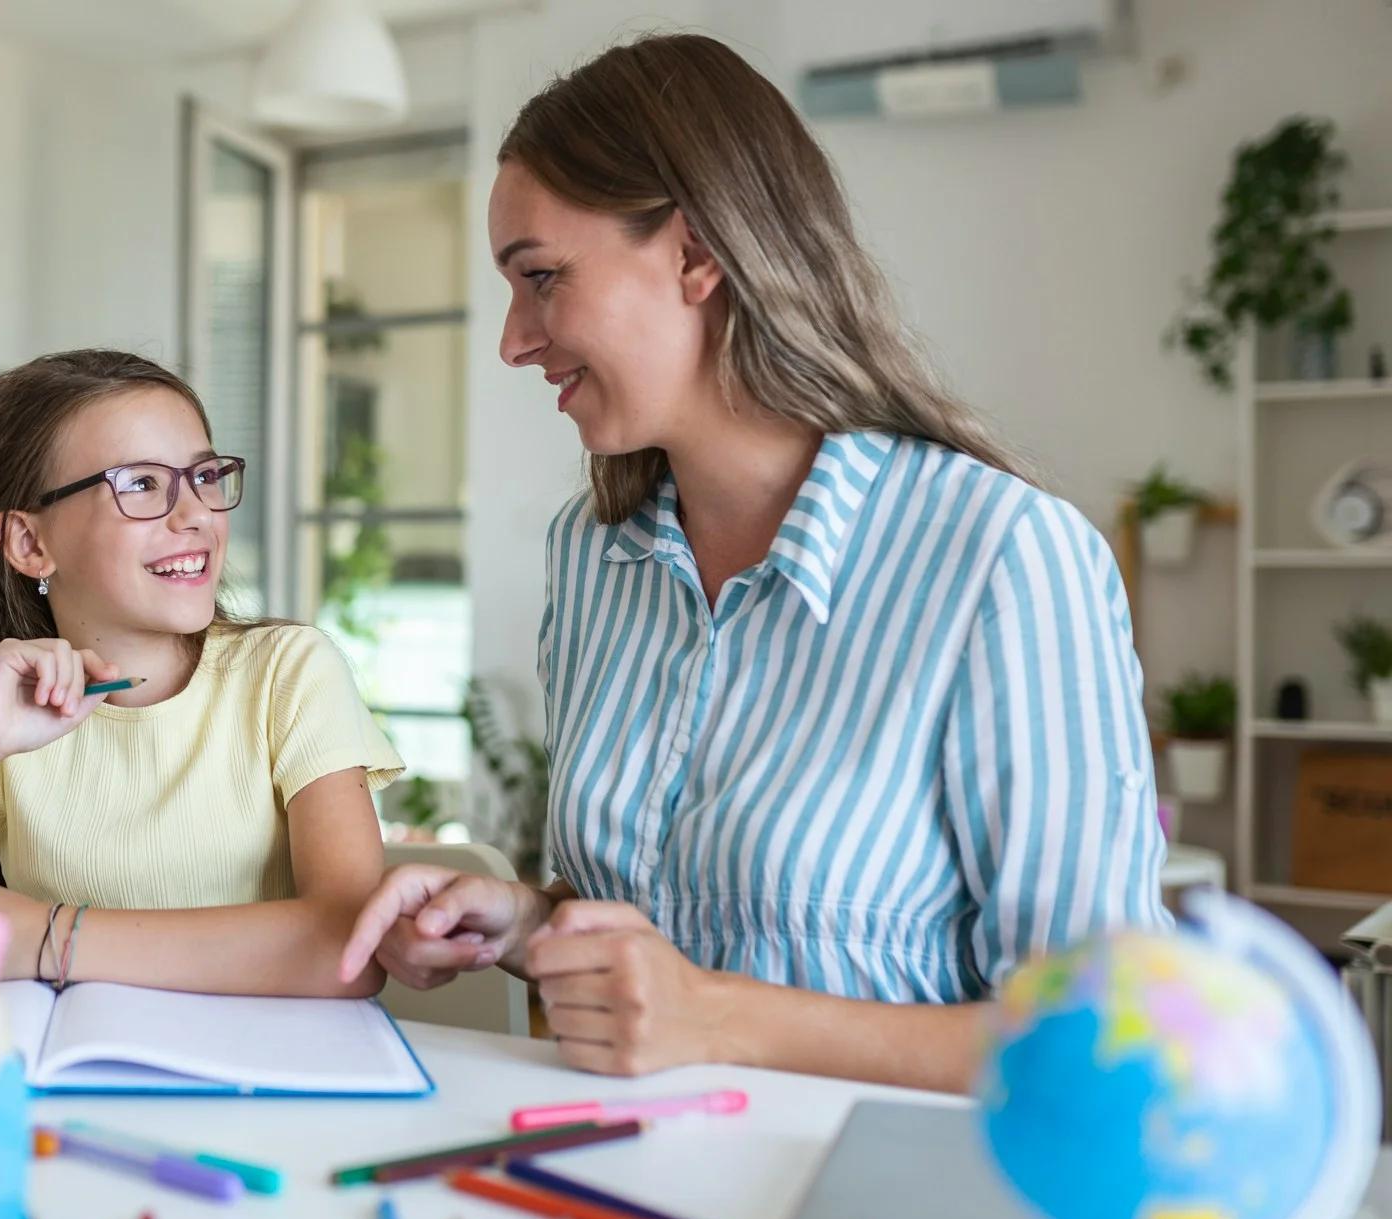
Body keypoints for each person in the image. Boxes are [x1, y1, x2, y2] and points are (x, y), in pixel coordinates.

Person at [340, 34, 1169, 1092]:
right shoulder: (594, 555)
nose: (514, 339)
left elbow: (1104, 1042)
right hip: (623, 1184)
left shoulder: (1002, 557)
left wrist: (718, 1018)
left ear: (697, 255)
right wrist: (525, 919)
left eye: (543, 277)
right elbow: (655, 923)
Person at [0, 350, 402, 996]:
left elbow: (349, 948)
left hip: (279, 1085)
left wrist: (46, 937)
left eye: (204, 476)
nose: (198, 515)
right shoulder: (6, 715)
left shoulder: (288, 674)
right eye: (142, 485)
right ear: (30, 545)